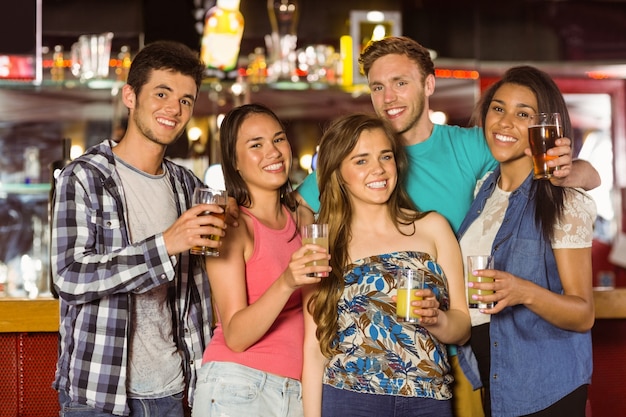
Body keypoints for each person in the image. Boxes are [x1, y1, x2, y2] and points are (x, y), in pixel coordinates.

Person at [295, 36, 600, 417]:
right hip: (397, 369)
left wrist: (578, 171)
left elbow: (535, 164)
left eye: (400, 83)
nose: (389, 97)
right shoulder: (359, 155)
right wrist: (315, 247)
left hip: (458, 357)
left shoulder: (476, 145)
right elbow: (298, 209)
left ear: (428, 85)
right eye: (378, 86)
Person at [50, 40, 221, 417]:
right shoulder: (85, 177)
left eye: (186, 100)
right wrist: (165, 244)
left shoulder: (187, 186)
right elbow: (68, 276)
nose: (174, 109)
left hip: (174, 392)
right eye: (162, 93)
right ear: (130, 95)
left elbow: (201, 293)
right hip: (99, 395)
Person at [302, 113, 471, 417]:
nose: (378, 169)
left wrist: (437, 320)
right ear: (339, 173)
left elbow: (462, 328)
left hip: (427, 399)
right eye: (361, 161)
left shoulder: (433, 227)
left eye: (385, 156)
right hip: (349, 398)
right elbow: (314, 351)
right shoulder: (324, 243)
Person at [457, 65, 595, 417]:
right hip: (495, 376)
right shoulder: (483, 189)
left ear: (543, 127)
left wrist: (523, 292)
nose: (505, 123)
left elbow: (583, 314)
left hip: (547, 385)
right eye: (499, 108)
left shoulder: (565, 200)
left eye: (523, 114)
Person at [192, 103, 331, 417]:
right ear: (235, 162)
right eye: (256, 145)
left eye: (278, 140)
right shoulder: (229, 226)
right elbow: (236, 336)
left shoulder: (303, 217)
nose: (273, 152)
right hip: (239, 386)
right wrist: (286, 282)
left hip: (297, 390)